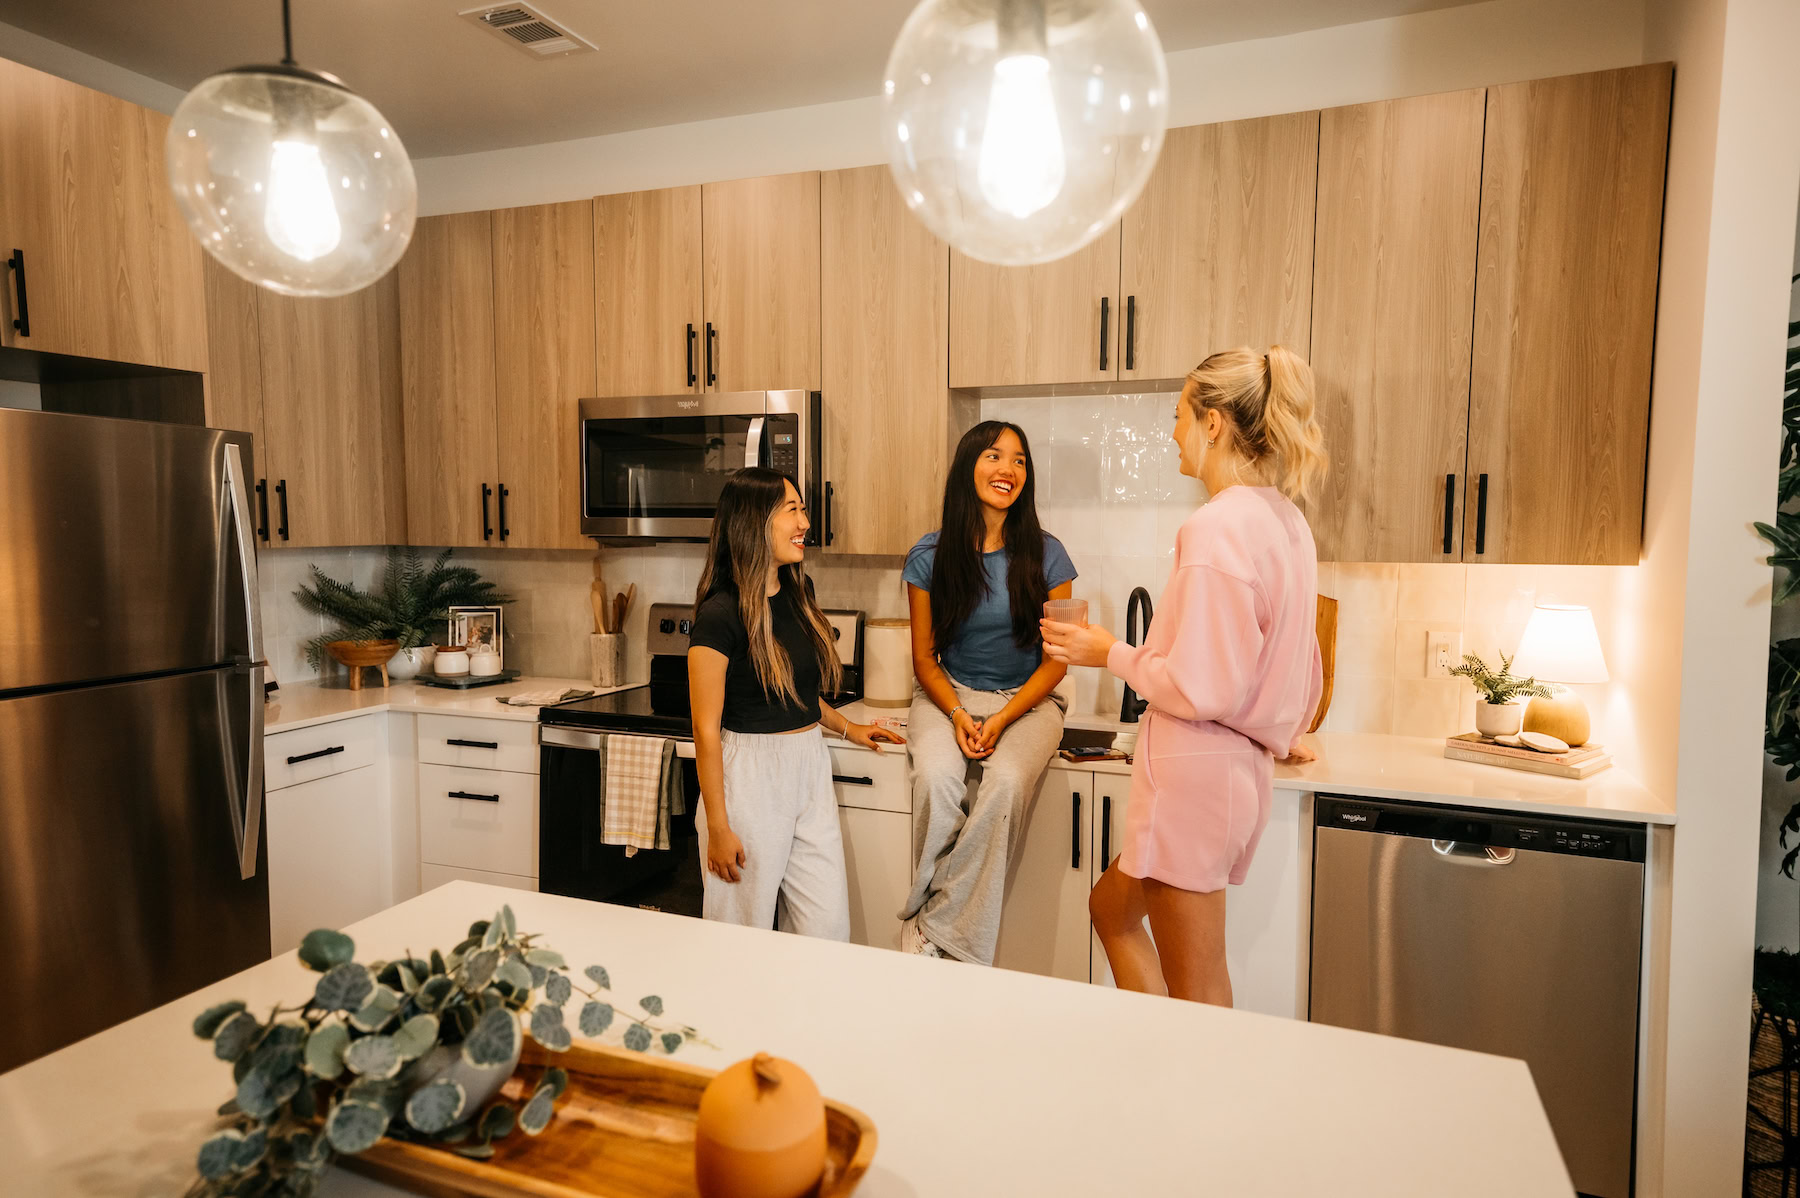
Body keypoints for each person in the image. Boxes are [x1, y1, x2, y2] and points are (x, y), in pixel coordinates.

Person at [1042, 346, 1328, 1006]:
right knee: (1111, 910)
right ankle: (1157, 1062)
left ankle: (1198, 1098)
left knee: (1198, 987)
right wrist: (1282, 731)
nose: (1172, 432)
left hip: (1195, 779)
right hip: (1229, 775)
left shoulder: (1215, 528)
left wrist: (1105, 650)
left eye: (1178, 416)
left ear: (1214, 423)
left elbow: (1203, 688)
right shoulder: (1288, 522)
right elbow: (1297, 666)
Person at [688, 468, 904, 938]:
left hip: (808, 765)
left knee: (826, 932)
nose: (805, 522)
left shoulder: (797, 593)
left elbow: (799, 696)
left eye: (803, 509)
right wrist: (719, 826)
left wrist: (851, 728)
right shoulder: (719, 614)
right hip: (748, 780)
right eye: (793, 510)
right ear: (754, 521)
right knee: (738, 936)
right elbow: (705, 730)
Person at [898, 421, 1077, 962]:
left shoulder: (1049, 555)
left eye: (1019, 461)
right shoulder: (928, 557)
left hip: (1029, 700)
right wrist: (955, 712)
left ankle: (932, 929)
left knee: (1003, 784)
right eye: (995, 456)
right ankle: (948, 929)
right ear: (967, 467)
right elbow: (924, 660)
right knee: (935, 777)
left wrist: (1000, 719)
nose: (1008, 470)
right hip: (945, 693)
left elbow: (1056, 664)